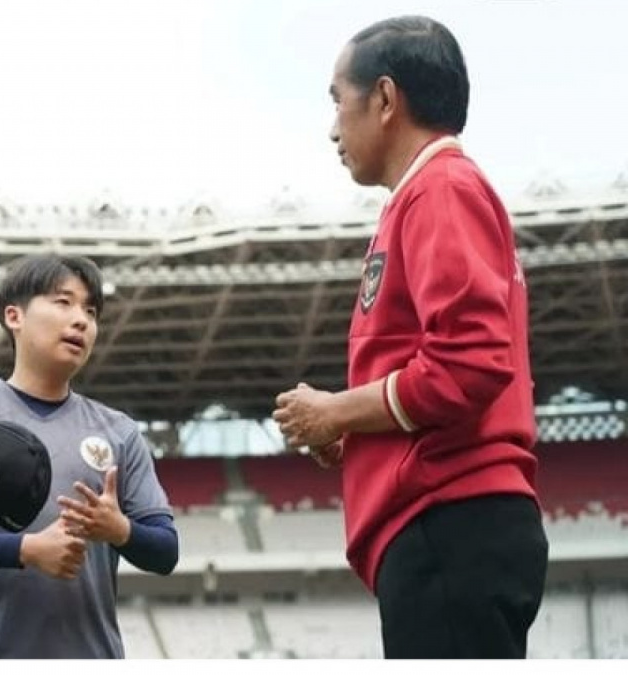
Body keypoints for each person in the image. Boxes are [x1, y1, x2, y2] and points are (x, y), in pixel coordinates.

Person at [272, 15, 548, 659]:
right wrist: (357, 428)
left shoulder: (441, 189)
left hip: (449, 518)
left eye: (338, 100)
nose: (333, 126)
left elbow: (470, 364)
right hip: (448, 523)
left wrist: (338, 408)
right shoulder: (428, 195)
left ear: (386, 99)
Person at [0, 254, 179, 659]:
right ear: (14, 316)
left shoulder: (118, 431)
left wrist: (119, 528)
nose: (82, 320)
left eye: (91, 310)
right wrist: (27, 550)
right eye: (63, 302)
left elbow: (165, 552)